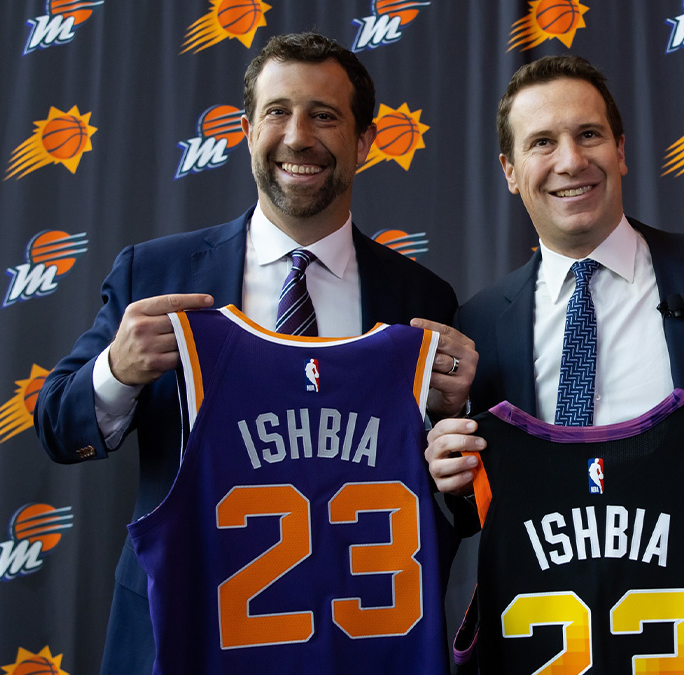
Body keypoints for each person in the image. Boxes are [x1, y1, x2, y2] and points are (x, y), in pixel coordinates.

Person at [34, 32, 475, 675]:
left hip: (364, 641)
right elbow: (56, 424)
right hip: (184, 633)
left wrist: (451, 424)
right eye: (278, 112)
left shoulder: (420, 297)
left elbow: (452, 502)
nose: (298, 137)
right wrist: (116, 372)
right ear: (246, 130)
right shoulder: (155, 274)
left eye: (324, 115)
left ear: (364, 141)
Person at [425, 54, 684, 673]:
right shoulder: (480, 321)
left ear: (621, 149)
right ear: (511, 172)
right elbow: (478, 501)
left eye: (588, 134)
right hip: (550, 636)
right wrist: (449, 478)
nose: (571, 161)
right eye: (542, 143)